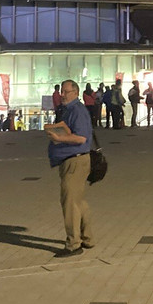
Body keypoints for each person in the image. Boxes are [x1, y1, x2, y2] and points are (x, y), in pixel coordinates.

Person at [43, 79, 94, 257]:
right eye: (62, 92)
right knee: (78, 201)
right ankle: (87, 237)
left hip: (75, 161)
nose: (62, 95)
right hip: (73, 160)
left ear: (76, 93)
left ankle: (74, 244)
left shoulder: (77, 110)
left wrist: (59, 139)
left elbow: (81, 138)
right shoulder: (70, 110)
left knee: (70, 202)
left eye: (66, 92)